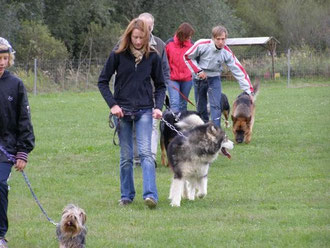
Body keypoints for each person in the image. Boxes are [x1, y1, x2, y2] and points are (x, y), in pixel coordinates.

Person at [98, 19, 166, 208]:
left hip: (145, 109)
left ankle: (150, 195)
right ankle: (126, 196)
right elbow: (102, 81)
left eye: (141, 38)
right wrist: (113, 105)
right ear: (129, 36)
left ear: (146, 38)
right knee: (126, 156)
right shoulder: (118, 55)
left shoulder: (153, 57)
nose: (137, 41)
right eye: (135, 37)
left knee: (146, 153)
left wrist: (158, 107)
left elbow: (160, 85)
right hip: (122, 112)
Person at [0, 37, 35, 247]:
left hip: (6, 148)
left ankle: (0, 234)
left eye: (5, 58)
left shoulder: (16, 85)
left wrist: (23, 151)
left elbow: (24, 119)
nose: (1, 62)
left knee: (0, 185)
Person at [184, 25, 254, 127]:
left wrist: (249, 91)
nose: (221, 42)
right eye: (218, 39)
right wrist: (198, 71)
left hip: (214, 78)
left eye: (223, 39)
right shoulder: (201, 44)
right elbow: (187, 57)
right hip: (199, 78)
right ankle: (203, 130)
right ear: (213, 38)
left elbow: (238, 70)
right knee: (201, 107)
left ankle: (217, 132)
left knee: (216, 106)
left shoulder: (226, 52)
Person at [135, 13, 170, 167]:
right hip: (133, 94)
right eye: (143, 26)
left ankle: (150, 158)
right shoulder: (127, 43)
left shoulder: (160, 45)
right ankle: (137, 158)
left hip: (154, 93)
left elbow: (165, 69)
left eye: (149, 27)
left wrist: (163, 87)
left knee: (153, 126)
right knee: (135, 127)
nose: (146, 31)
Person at [165, 22, 195, 113]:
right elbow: (164, 61)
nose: (190, 38)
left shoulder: (192, 45)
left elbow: (195, 62)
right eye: (188, 36)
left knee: (183, 104)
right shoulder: (169, 44)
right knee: (175, 103)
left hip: (187, 79)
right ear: (182, 35)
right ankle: (173, 125)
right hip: (172, 78)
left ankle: (182, 125)